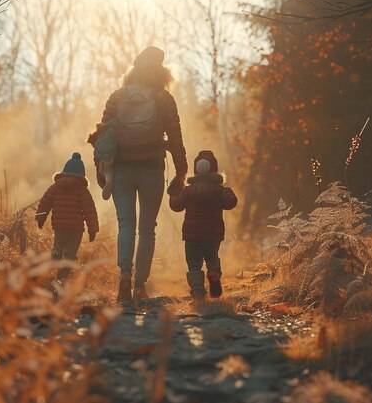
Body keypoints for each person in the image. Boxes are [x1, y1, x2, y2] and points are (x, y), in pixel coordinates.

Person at [88, 46, 188, 303]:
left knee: (126, 225)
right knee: (147, 230)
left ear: (133, 69)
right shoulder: (164, 99)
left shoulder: (117, 96)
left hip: (121, 170)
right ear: (162, 72)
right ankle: (140, 285)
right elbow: (176, 138)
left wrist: (100, 167)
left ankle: (124, 276)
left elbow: (102, 135)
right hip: (151, 169)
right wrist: (181, 172)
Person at [168, 150, 238, 301]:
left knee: (194, 264)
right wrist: (229, 192)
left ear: (196, 169)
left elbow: (176, 206)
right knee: (212, 257)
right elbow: (231, 203)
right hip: (213, 235)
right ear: (214, 169)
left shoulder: (188, 190)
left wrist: (173, 193)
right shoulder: (220, 190)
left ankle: (198, 293)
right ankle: (213, 274)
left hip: (192, 236)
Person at [35, 152, 99, 281]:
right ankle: (63, 274)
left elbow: (45, 203)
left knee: (58, 246)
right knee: (70, 253)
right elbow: (90, 210)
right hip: (76, 229)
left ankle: (56, 257)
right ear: (82, 173)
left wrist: (41, 218)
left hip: (60, 226)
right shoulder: (82, 190)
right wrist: (92, 229)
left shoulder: (55, 187)